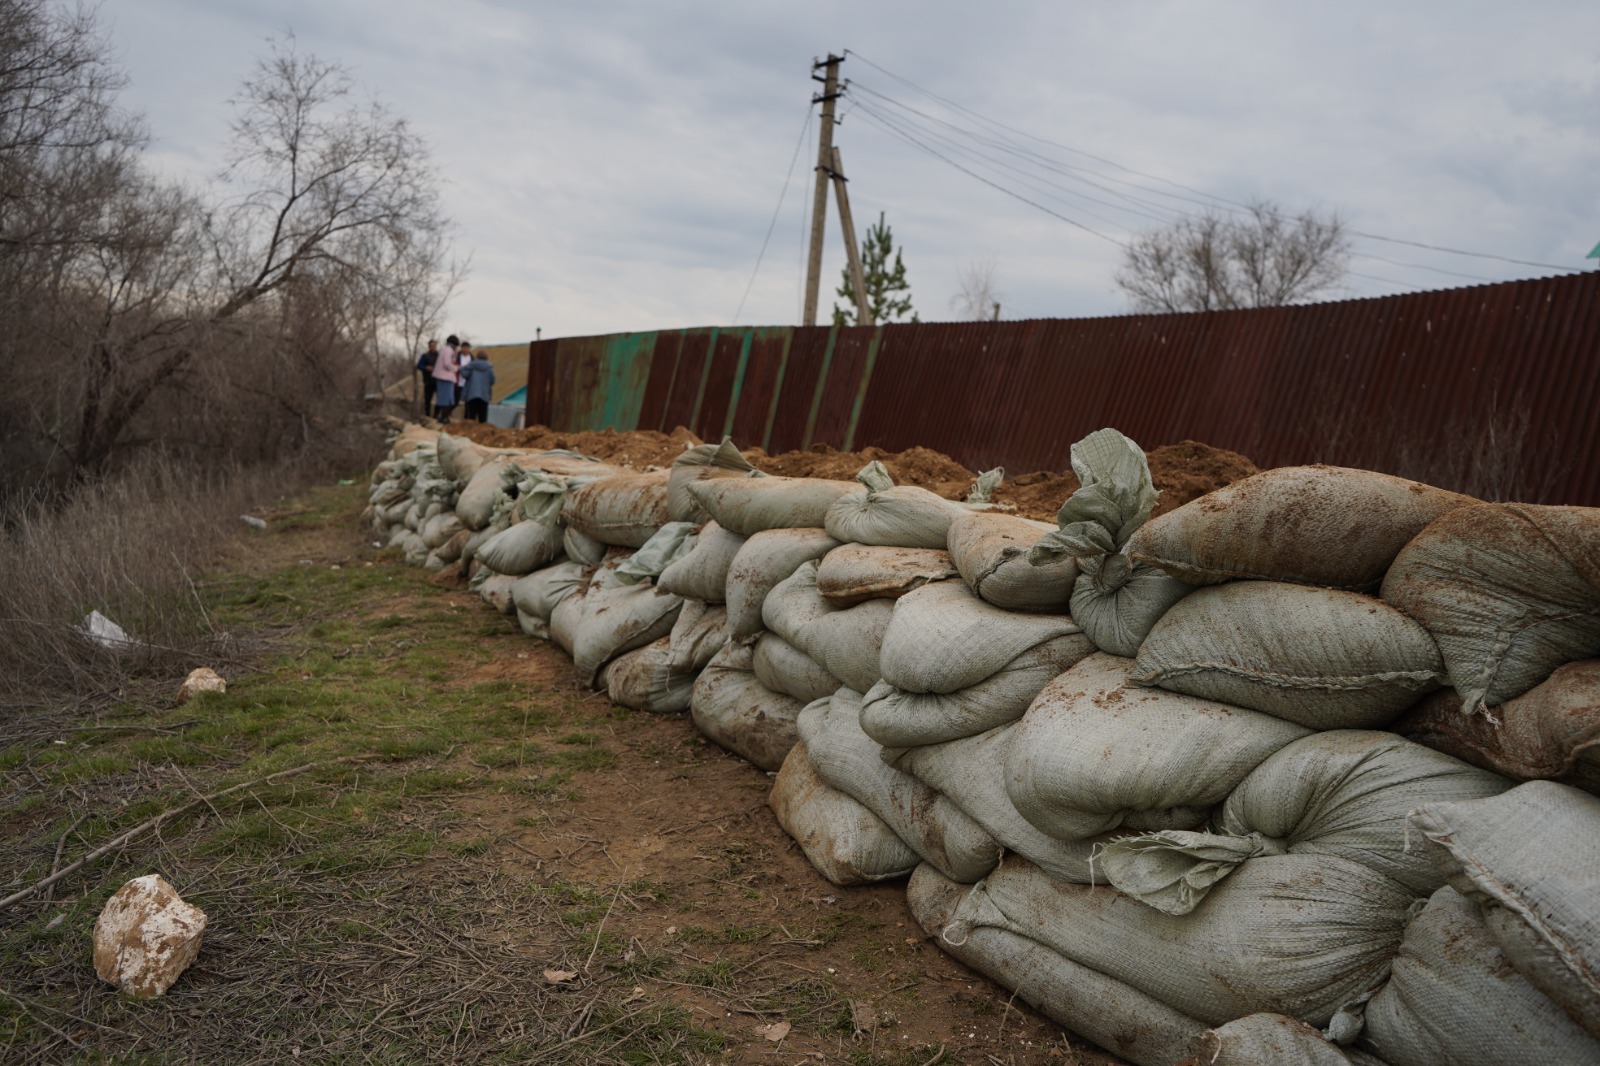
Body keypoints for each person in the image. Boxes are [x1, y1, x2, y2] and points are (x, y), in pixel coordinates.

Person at [460, 344, 495, 423]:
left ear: (477, 357)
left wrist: (463, 368)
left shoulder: (471, 366)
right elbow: (492, 381)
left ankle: (469, 434)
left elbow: (464, 374)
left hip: (472, 395)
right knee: (482, 419)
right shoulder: (489, 369)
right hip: (484, 396)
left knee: (471, 418)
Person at [432, 334, 460, 422]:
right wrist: (455, 368)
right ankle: (443, 417)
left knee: (444, 399)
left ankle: (441, 416)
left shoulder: (445, 350)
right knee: (446, 399)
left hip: (443, 377)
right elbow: (447, 363)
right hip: (445, 378)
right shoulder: (449, 351)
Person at [415, 339, 439, 417]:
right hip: (428, 381)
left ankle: (436, 415)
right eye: (431, 346)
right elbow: (419, 365)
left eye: (434, 346)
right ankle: (427, 415)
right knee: (427, 399)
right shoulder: (425, 356)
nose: (433, 347)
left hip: (437, 381)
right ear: (429, 346)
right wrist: (426, 368)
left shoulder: (439, 355)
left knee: (439, 399)